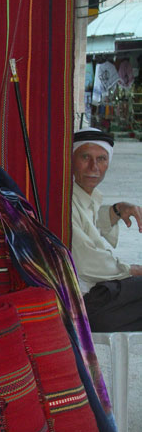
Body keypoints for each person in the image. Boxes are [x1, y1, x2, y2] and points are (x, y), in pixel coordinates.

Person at [71, 127, 142, 331]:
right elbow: (85, 261)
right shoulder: (63, 203)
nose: (94, 166)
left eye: (101, 159)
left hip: (95, 299)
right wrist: (132, 270)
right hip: (85, 305)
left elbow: (91, 222)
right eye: (85, 157)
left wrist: (117, 211)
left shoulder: (84, 197)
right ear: (71, 160)